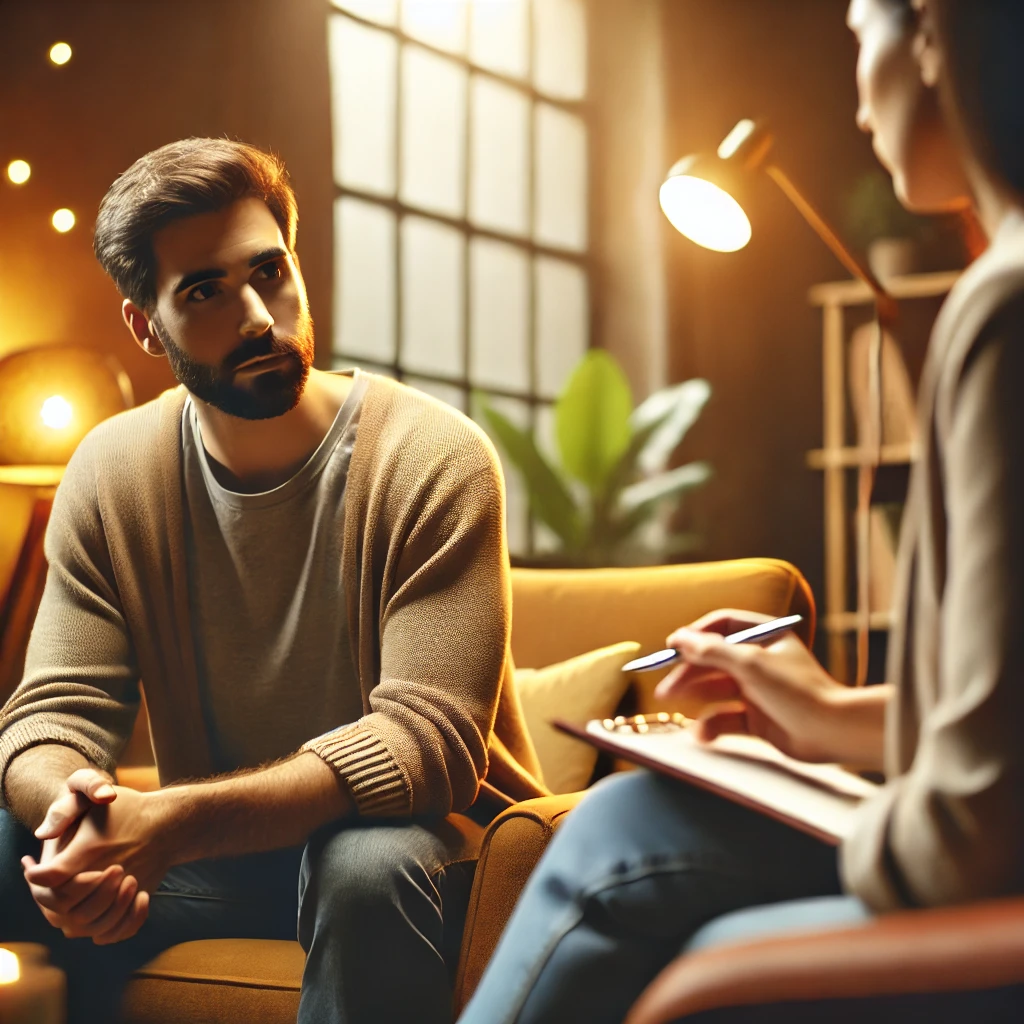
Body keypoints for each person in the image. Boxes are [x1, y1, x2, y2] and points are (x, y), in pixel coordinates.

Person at [458, 0, 1024, 1021]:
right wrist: (827, 717)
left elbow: (971, 835)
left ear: (933, 34)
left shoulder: (1004, 310)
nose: (858, 103)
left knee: (621, 840)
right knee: (630, 820)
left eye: (859, 36)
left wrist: (820, 805)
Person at [0, 138, 545, 1024]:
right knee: (16, 838)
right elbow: (49, 718)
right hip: (223, 866)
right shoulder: (110, 472)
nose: (258, 316)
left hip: (435, 855)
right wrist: (79, 816)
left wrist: (167, 825)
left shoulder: (434, 456)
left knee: (363, 864)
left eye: (269, 272)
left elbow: (428, 746)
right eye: (204, 292)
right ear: (146, 326)